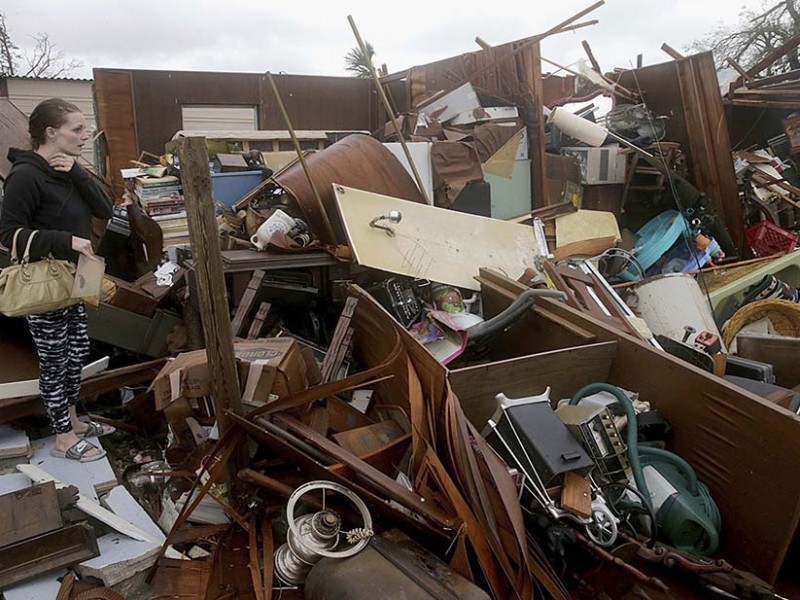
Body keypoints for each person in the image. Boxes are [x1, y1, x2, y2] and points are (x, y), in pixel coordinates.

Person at [0, 98, 115, 462]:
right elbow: (7, 233)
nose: (84, 136)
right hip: (47, 283)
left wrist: (77, 171)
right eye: (77, 129)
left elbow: (105, 209)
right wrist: (64, 240)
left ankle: (74, 420)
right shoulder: (25, 175)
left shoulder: (65, 169)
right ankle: (63, 436)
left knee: (77, 353)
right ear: (51, 132)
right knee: (54, 360)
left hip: (74, 281)